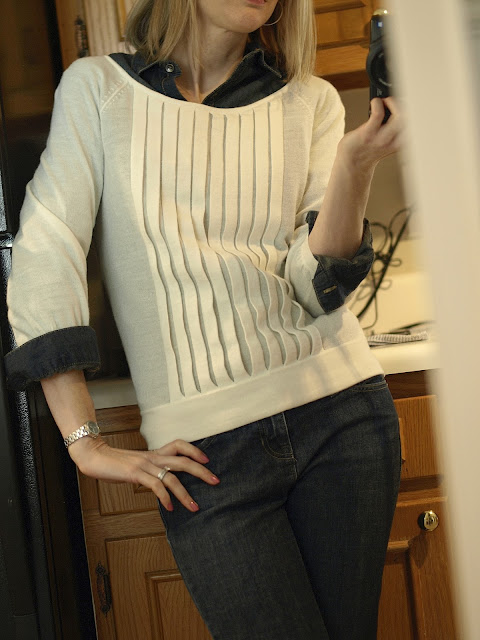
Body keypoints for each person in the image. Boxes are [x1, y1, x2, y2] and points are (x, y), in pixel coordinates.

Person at [5, 0, 403, 638]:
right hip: (207, 455)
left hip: (342, 417)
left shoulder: (312, 101)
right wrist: (84, 442)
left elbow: (314, 286)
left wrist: (356, 166)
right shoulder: (99, 89)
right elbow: (46, 248)